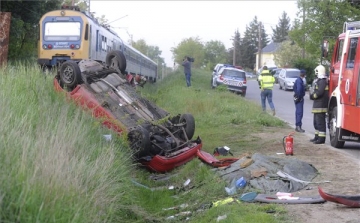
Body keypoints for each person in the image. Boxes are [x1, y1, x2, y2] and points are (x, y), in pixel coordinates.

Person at [309, 65, 329, 144]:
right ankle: (317, 137)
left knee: (320, 122)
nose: (315, 73)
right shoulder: (319, 81)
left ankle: (321, 139)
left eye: (316, 71)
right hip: (317, 105)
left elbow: (320, 92)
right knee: (316, 122)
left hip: (321, 106)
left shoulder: (322, 81)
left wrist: (313, 96)